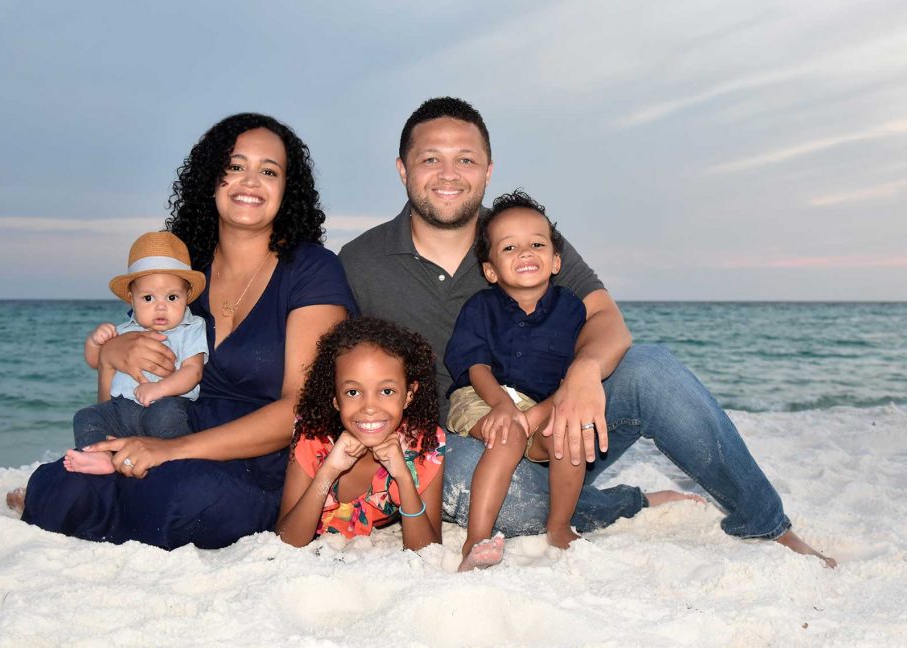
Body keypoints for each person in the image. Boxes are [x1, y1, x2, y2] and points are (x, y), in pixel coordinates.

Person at [338, 96, 835, 567]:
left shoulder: (521, 233)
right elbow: (336, 377)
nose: (449, 174)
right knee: (475, 481)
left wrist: (582, 373)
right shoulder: (360, 262)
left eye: (465, 160)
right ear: (403, 169)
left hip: (563, 424)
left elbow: (607, 322)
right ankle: (616, 504)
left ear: (487, 171)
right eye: (431, 160)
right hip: (465, 441)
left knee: (651, 368)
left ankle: (766, 524)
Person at [12, 113, 357, 550]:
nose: (250, 181)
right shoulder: (179, 273)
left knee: (181, 497)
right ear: (210, 179)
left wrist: (172, 451)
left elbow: (300, 410)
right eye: (234, 166)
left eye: (268, 171)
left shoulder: (312, 269)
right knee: (59, 484)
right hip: (167, 427)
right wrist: (114, 355)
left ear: (287, 190)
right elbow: (122, 396)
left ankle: (112, 510)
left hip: (260, 456)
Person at [444, 190, 593, 570]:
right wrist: (503, 406)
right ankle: (475, 541)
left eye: (537, 244)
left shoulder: (571, 309)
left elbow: (573, 379)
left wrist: (542, 414)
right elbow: (474, 365)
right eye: (509, 248)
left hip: (542, 404)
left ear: (556, 260)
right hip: (481, 395)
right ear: (490, 269)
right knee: (507, 432)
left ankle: (558, 528)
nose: (526, 253)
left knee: (570, 431)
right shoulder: (481, 307)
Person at [275, 317, 444, 551]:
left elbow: (429, 552)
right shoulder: (313, 436)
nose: (370, 407)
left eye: (387, 391)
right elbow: (284, 543)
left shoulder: (424, 445)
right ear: (335, 397)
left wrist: (404, 478)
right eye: (353, 392)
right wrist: (327, 473)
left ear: (409, 394)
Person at [63, 231, 209, 475]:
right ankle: (101, 457)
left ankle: (172, 465)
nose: (160, 306)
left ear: (187, 296)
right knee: (85, 416)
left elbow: (193, 372)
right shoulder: (124, 331)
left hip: (164, 404)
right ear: (132, 299)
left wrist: (159, 389)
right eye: (148, 298)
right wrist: (96, 342)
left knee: (169, 418)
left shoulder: (191, 327)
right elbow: (94, 361)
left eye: (172, 297)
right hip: (121, 409)